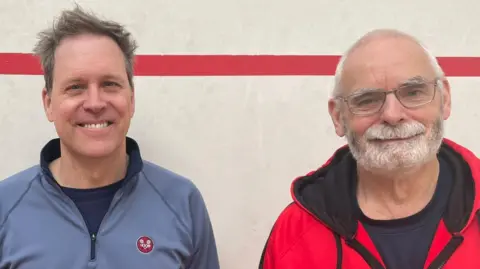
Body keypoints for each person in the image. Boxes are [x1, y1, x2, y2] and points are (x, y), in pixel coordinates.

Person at [0, 6, 220, 269]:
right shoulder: (6, 207)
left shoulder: (182, 201)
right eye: (76, 87)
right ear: (48, 103)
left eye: (109, 84)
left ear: (131, 98)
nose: (94, 103)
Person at [259, 29, 480, 269]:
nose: (393, 115)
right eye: (367, 100)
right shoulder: (294, 235)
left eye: (413, 92)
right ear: (338, 117)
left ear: (445, 99)